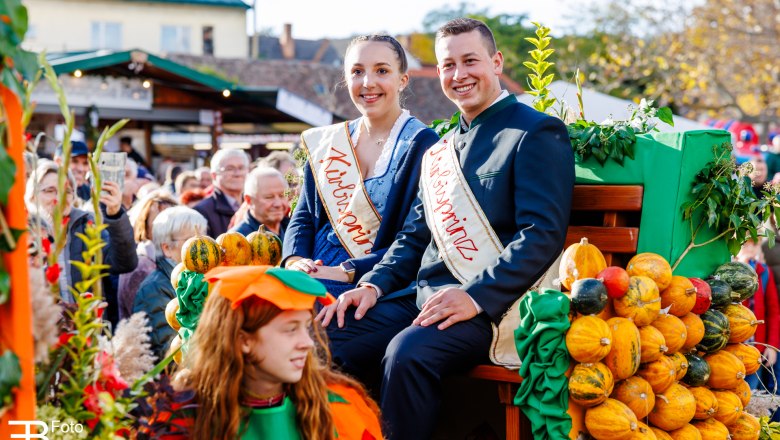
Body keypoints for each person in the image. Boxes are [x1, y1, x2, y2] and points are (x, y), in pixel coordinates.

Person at [317, 18, 574, 439]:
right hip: (426, 299)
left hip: (496, 306)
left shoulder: (534, 132)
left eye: (470, 60)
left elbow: (540, 234)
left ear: (496, 62)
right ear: (437, 73)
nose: (459, 74)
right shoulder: (441, 150)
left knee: (406, 353)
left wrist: (475, 298)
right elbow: (415, 237)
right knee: (327, 334)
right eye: (448, 65)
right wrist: (373, 285)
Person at [283, 34, 439, 297]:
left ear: (403, 80)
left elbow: (415, 238)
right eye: (357, 71)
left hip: (373, 279)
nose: (368, 82)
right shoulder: (329, 141)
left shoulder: (421, 144)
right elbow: (305, 214)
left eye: (382, 70)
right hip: (311, 269)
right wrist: (294, 260)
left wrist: (346, 270)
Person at [152, 266, 382, 440]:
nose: (307, 344)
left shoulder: (340, 404)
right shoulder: (184, 412)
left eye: (306, 327)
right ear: (242, 340)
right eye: (290, 330)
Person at [25, 161, 138, 325]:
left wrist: (114, 214)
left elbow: (124, 263)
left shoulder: (86, 225)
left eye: (67, 191)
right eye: (50, 191)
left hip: (85, 334)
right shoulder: (22, 235)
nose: (60, 198)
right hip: (41, 334)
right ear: (32, 197)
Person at [132, 206, 207, 360]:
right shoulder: (154, 289)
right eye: (191, 240)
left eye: (204, 237)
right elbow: (170, 352)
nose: (203, 245)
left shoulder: (202, 278)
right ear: (167, 248)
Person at [118, 191, 178, 320]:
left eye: (172, 221)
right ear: (144, 224)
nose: (167, 227)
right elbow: (145, 322)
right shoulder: (140, 267)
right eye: (159, 221)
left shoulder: (173, 261)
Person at [193, 149, 249, 237]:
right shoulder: (201, 212)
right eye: (230, 168)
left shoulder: (253, 206)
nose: (237, 174)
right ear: (214, 176)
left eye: (241, 168)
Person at [232, 167, 291, 239]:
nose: (278, 204)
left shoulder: (295, 229)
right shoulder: (238, 240)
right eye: (269, 197)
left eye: (282, 196)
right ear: (249, 200)